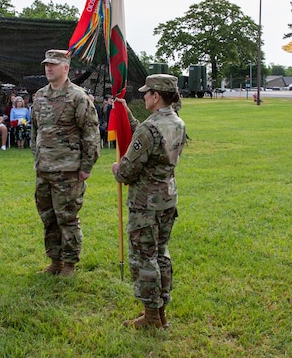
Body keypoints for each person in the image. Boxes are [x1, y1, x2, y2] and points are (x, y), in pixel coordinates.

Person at [111, 74, 186, 329]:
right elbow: (148, 142)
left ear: (156, 96)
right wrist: (125, 112)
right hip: (167, 199)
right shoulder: (177, 122)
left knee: (145, 258)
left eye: (146, 93)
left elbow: (126, 172)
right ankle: (161, 310)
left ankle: (151, 316)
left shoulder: (149, 129)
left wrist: (116, 168)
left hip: (145, 204)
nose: (143, 96)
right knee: (161, 254)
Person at [31, 49, 101, 277]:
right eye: (46, 65)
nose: (48, 68)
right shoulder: (40, 96)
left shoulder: (78, 97)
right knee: (48, 218)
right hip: (44, 169)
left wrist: (86, 167)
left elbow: (90, 134)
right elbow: (35, 130)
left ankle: (70, 264)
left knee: (67, 218)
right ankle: (55, 261)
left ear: (66, 68)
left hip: (69, 171)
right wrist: (37, 156)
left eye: (53, 64)